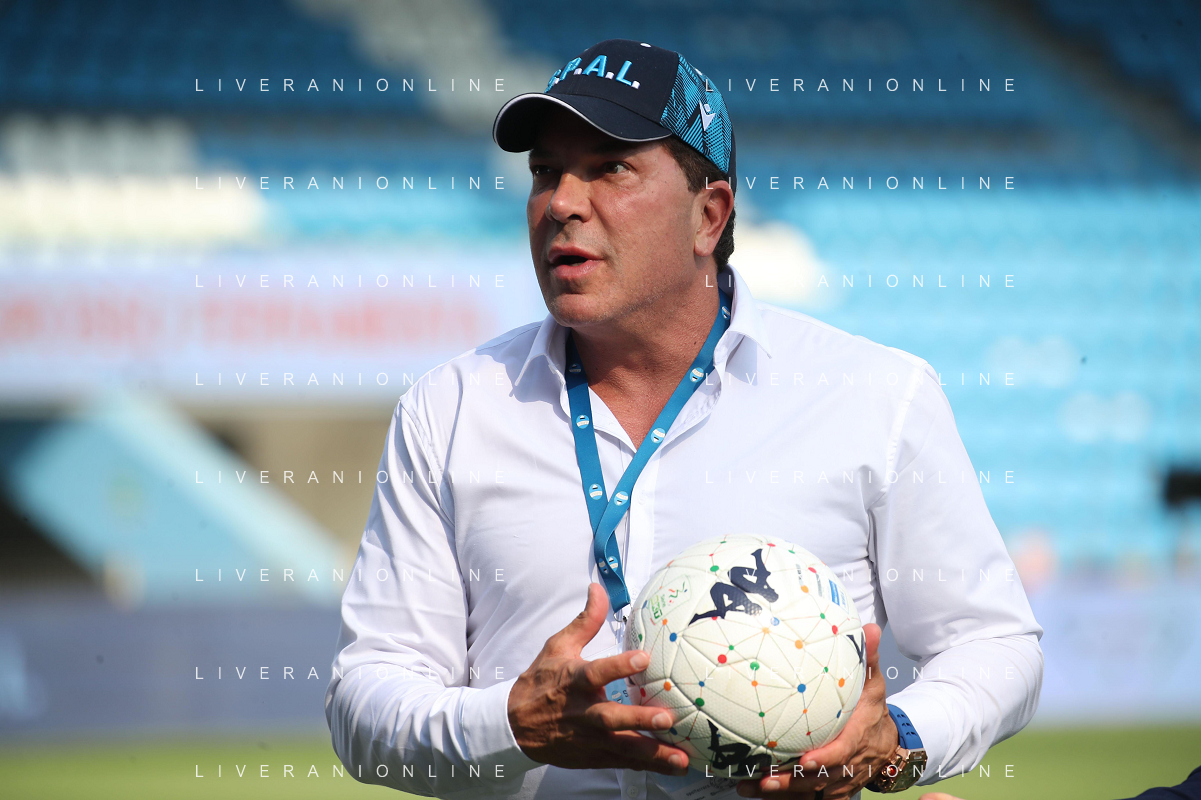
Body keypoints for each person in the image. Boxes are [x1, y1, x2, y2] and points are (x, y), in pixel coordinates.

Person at [325, 39, 1044, 800]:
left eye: (610, 168)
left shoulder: (874, 394)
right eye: (545, 171)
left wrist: (893, 741)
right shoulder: (448, 410)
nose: (561, 203)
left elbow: (993, 643)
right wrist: (510, 725)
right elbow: (364, 701)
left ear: (709, 215)